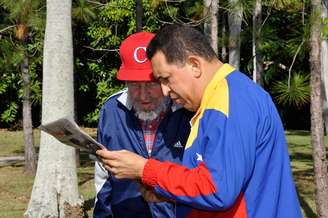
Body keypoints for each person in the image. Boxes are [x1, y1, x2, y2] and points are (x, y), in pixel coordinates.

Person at [96, 25, 302, 218]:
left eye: (166, 79)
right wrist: (167, 194)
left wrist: (145, 170)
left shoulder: (227, 100)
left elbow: (217, 189)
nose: (165, 90)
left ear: (194, 65)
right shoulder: (224, 96)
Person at [93, 31, 193, 218]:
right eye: (134, 85)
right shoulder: (112, 111)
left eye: (151, 84)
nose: (143, 95)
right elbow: (103, 177)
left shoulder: (187, 111)